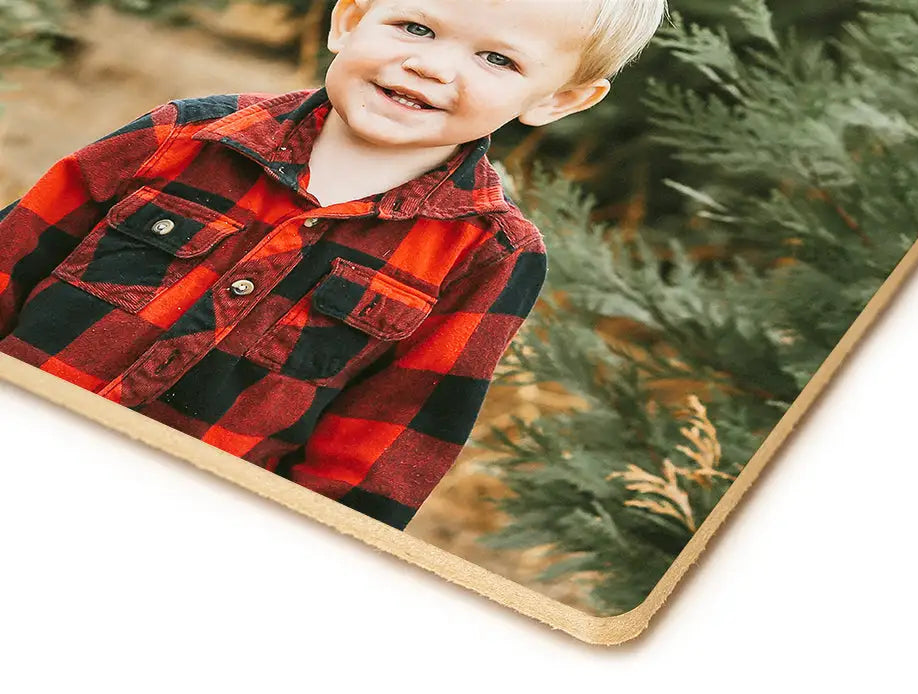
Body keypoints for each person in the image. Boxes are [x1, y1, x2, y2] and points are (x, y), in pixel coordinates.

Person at [0, 0, 667, 530]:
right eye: (416, 26)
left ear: (561, 100)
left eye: (496, 58)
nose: (431, 67)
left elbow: (383, 451)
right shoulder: (184, 136)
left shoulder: (488, 259)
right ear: (349, 19)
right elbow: (13, 261)